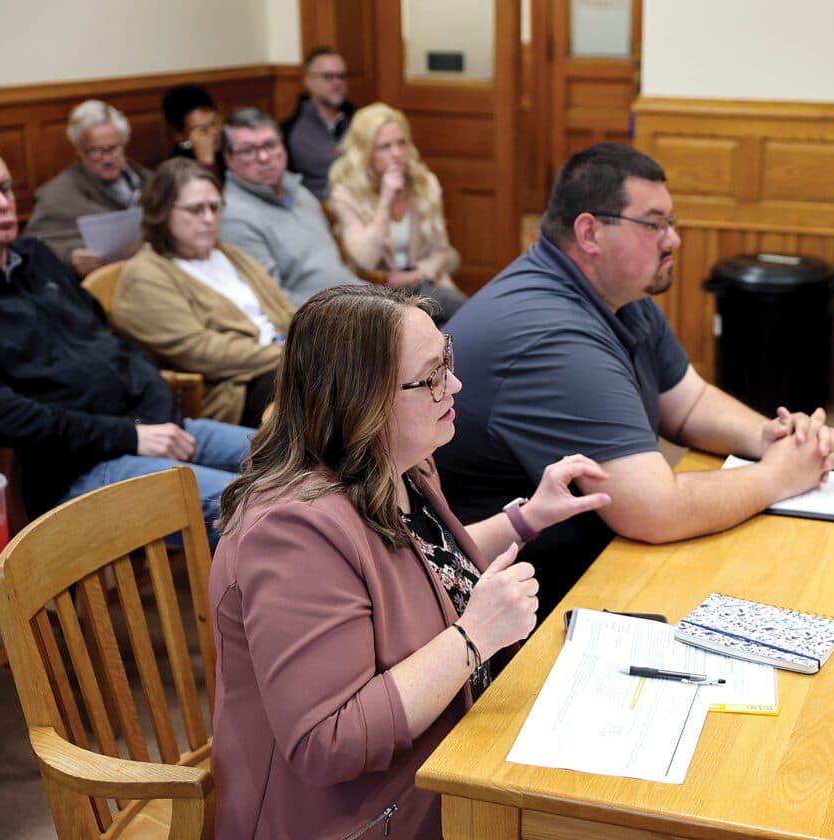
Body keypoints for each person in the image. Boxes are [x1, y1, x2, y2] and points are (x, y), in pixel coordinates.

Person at [210, 283, 609, 838]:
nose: (456, 385)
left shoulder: (401, 467)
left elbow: (420, 567)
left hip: (449, 759)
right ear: (360, 399)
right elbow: (329, 741)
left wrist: (528, 517)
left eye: (447, 360)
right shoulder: (290, 532)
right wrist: (473, 638)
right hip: (366, 815)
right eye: (432, 378)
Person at [436, 142, 834, 615]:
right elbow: (654, 510)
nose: (673, 239)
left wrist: (769, 436)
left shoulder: (617, 295)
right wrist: (778, 475)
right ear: (590, 232)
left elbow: (688, 403)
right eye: (654, 224)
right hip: (503, 604)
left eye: (671, 222)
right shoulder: (553, 335)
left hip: (580, 561)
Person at [0, 152, 252, 547]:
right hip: (79, 469)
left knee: (307, 460)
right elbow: (13, 417)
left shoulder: (36, 258)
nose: (2, 203)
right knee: (256, 507)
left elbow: (110, 344)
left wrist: (152, 417)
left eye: (4, 188)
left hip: (153, 426)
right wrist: (129, 436)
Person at [113, 159, 294, 427]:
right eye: (196, 210)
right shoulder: (145, 276)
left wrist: (310, 342)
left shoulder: (229, 255)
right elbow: (199, 351)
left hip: (282, 361)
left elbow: (286, 312)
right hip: (232, 389)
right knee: (324, 384)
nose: (209, 219)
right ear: (161, 212)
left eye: (215, 207)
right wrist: (291, 354)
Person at [329, 102, 467, 323]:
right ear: (365, 152)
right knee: (454, 318)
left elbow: (440, 250)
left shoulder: (425, 183)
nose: (396, 153)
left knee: (463, 319)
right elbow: (365, 260)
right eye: (384, 146)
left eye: (401, 143)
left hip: (423, 281)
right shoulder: (346, 193)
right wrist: (385, 201)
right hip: (376, 293)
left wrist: (414, 276)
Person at [218, 107, 362, 306]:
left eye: (270, 145)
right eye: (248, 151)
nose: (264, 158)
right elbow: (273, 302)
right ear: (229, 158)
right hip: (320, 322)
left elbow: (335, 268)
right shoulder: (233, 217)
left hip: (354, 299)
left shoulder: (300, 192)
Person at [24, 100, 150, 277]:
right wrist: (70, 257)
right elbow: (32, 246)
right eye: (96, 151)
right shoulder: (56, 196)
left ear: (124, 143)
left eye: (113, 148)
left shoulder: (149, 180)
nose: (107, 159)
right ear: (79, 150)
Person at [281, 46, 355, 199]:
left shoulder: (360, 122)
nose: (337, 83)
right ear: (308, 81)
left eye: (341, 76)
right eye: (328, 76)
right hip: (317, 210)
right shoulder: (289, 131)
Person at [161, 83, 225, 179]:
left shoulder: (228, 148)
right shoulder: (177, 169)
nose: (214, 132)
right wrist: (206, 162)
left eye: (214, 123)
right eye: (202, 130)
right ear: (179, 135)